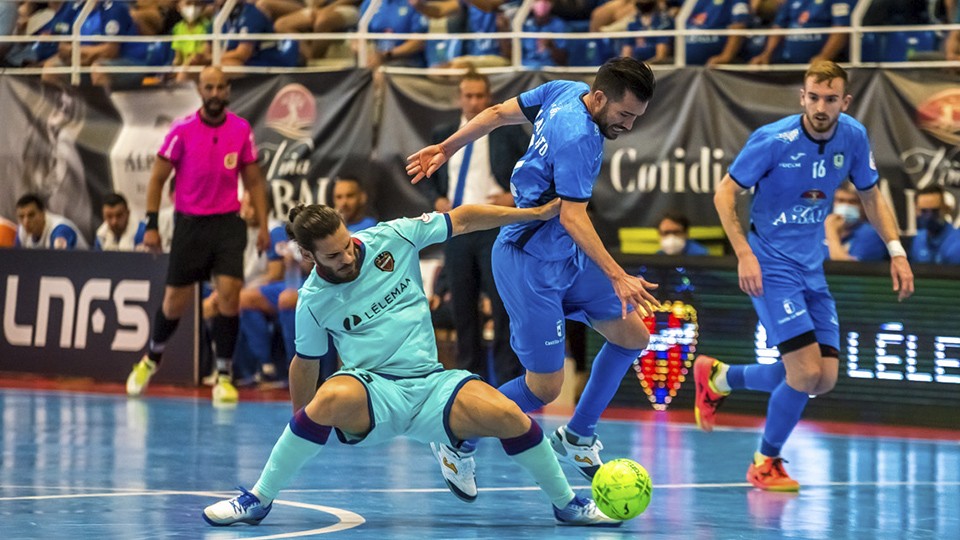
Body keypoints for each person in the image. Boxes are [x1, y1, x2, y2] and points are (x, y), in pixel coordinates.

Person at [201, 200, 620, 528]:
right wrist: (302, 424)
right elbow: (305, 363)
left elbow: (465, 219)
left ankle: (568, 506)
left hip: (432, 386)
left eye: (347, 245)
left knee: (509, 414)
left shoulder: (393, 238)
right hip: (372, 391)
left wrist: (532, 213)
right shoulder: (312, 300)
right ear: (308, 256)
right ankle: (258, 498)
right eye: (332, 256)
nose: (347, 257)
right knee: (329, 396)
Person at [407, 57, 659, 480]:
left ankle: (578, 435)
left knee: (633, 336)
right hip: (528, 263)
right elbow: (574, 218)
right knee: (544, 386)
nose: (628, 126)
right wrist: (618, 274)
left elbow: (493, 115)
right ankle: (454, 434)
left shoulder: (564, 88)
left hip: (566, 255)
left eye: (636, 117)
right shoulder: (579, 137)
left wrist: (446, 147)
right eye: (624, 115)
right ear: (599, 98)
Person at [694, 61, 915, 492]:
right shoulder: (773, 140)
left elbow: (871, 196)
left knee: (822, 378)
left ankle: (720, 377)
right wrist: (744, 254)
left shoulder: (852, 135)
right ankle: (765, 461)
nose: (820, 106)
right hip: (771, 264)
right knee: (803, 372)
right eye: (813, 97)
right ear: (802, 97)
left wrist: (896, 251)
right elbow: (725, 193)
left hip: (811, 265)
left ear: (844, 102)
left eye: (830, 99)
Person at [126, 66, 270, 405]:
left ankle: (223, 375)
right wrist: (150, 224)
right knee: (174, 303)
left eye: (221, 87)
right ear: (200, 91)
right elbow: (158, 179)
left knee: (229, 296)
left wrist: (262, 225)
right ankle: (150, 360)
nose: (215, 93)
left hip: (227, 224)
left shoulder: (241, 129)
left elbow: (252, 181)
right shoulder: (183, 131)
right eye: (209, 87)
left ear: (228, 90)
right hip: (190, 225)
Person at [419, 70, 529, 386]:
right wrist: (437, 197)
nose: (474, 102)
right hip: (457, 228)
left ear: (489, 98)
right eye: (468, 96)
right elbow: (428, 175)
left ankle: (509, 381)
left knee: (502, 305)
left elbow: (535, 167)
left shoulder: (507, 133)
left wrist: (513, 195)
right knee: (463, 307)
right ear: (459, 98)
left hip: (495, 224)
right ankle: (471, 379)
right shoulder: (444, 133)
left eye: (480, 96)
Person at [748, 0, 852, 65]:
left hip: (823, 68)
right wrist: (767, 54)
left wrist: (824, 56)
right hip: (791, 66)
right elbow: (778, 27)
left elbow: (841, 29)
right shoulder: (790, 1)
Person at [823, 183, 887, 262]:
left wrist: (831, 234)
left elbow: (846, 269)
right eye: (840, 200)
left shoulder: (871, 234)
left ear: (864, 206)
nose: (845, 207)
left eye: (852, 202)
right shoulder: (819, 232)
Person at [14, 193, 88, 250]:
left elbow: (60, 261)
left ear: (43, 213)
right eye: (21, 217)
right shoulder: (22, 231)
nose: (26, 221)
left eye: (31, 215)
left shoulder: (60, 229)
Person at [910, 184, 960, 264]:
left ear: (945, 209)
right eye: (924, 211)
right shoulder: (918, 239)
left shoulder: (957, 243)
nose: (929, 216)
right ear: (916, 210)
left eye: (934, 211)